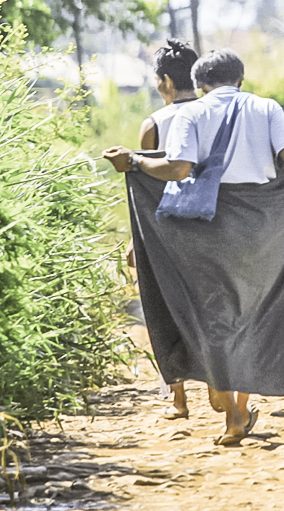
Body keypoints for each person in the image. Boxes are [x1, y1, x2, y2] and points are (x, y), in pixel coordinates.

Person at [103, 48, 284, 446]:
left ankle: (228, 405)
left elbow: (177, 170)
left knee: (210, 313)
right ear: (240, 80)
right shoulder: (266, 107)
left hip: (204, 229)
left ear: (199, 85)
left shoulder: (191, 113)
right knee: (252, 310)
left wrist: (135, 162)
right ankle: (238, 409)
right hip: (260, 226)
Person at [120, 39, 201, 419]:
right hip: (211, 226)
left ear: (165, 81)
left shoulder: (154, 124)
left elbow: (146, 191)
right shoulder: (213, 115)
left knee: (163, 306)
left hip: (167, 229)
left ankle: (179, 398)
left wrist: (136, 241)